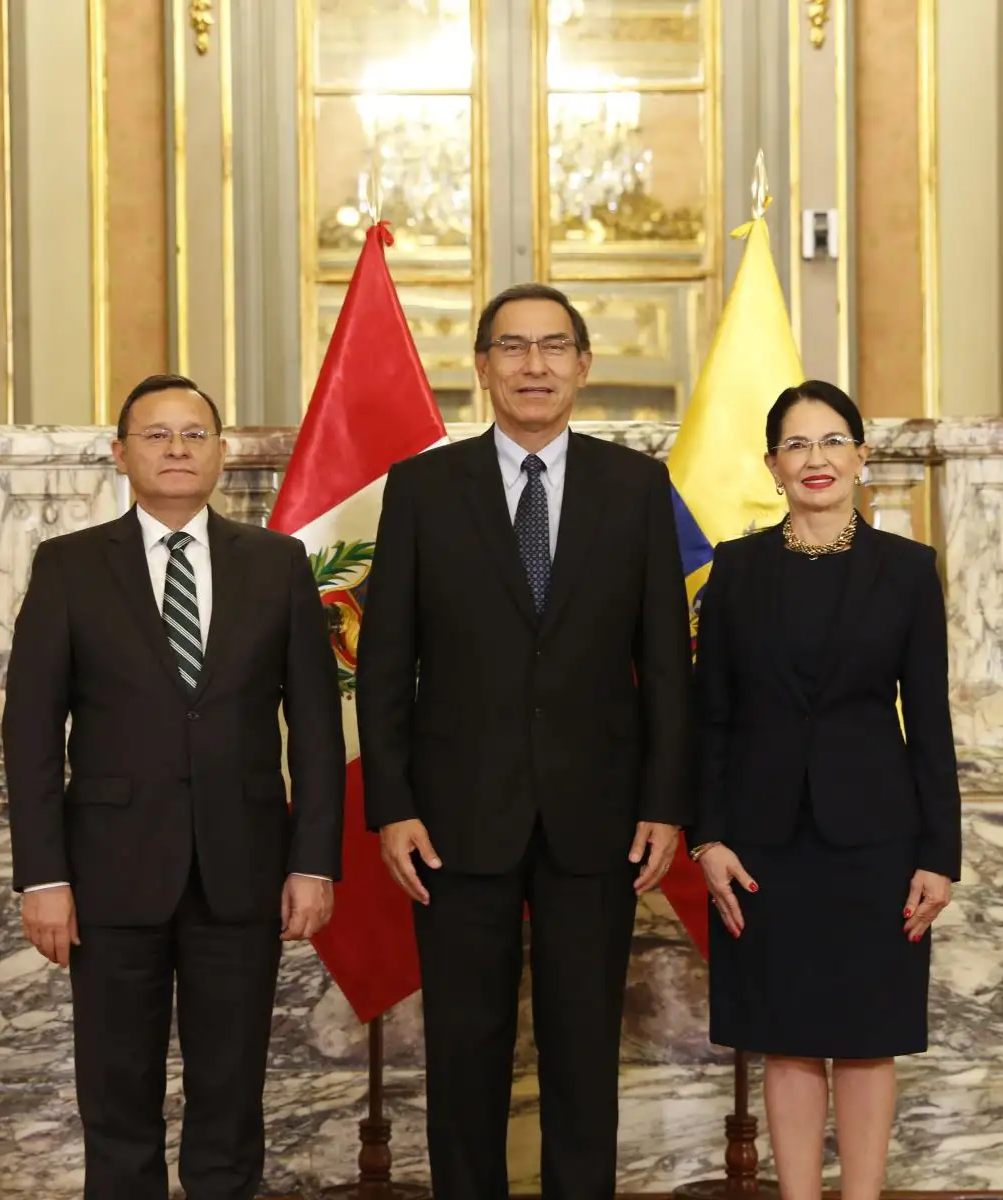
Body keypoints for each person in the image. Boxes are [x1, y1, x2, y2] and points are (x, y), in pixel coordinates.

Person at [355, 283, 694, 1199]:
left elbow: (667, 665)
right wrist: (392, 806)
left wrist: (665, 803)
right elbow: (386, 666)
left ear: (583, 365)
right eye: (512, 347)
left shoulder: (636, 487)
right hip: (454, 819)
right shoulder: (423, 489)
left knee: (584, 1051)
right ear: (481, 366)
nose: (533, 365)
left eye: (552, 347)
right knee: (465, 1052)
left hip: (600, 819)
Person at [2, 373, 345, 1199]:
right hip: (109, 875)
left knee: (231, 1095)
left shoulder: (277, 564)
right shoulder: (70, 566)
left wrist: (313, 861)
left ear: (222, 453)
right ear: (121, 454)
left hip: (244, 870)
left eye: (194, 434)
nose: (177, 449)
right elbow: (32, 733)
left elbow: (317, 728)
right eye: (156, 435)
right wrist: (42, 877)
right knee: (117, 1094)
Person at [689, 380, 960, 1200]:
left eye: (833, 440)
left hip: (877, 839)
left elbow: (931, 721)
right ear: (772, 464)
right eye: (798, 444)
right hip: (762, 842)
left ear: (862, 456)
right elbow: (709, 718)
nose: (817, 458)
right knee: (788, 1038)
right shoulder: (734, 570)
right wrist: (708, 837)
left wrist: (940, 855)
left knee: (869, 1037)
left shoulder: (907, 571)